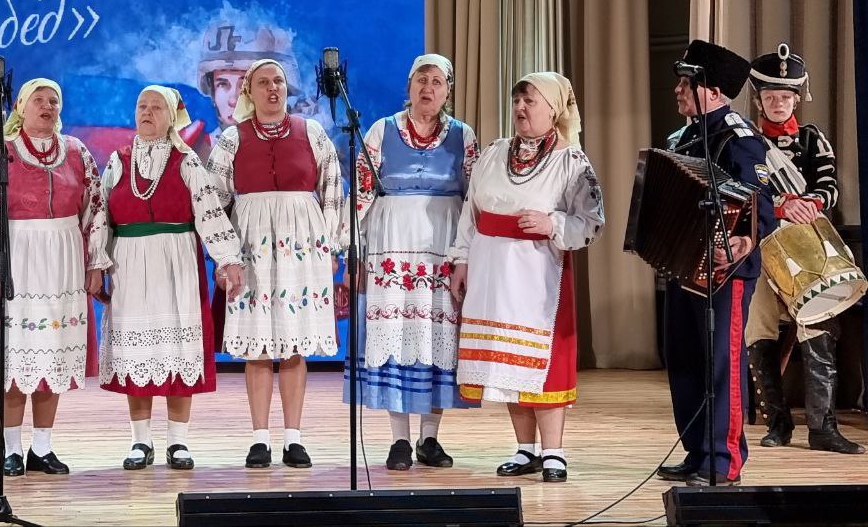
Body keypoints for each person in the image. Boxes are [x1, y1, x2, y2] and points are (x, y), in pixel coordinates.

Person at [447, 72, 604, 484]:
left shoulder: (571, 161)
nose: (520, 108)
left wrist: (552, 223)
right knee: (505, 361)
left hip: (538, 275)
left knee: (541, 361)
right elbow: (471, 212)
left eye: (530, 101)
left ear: (553, 110)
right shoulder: (494, 153)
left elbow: (592, 220)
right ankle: (525, 448)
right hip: (490, 271)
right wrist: (461, 260)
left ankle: (554, 451)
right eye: (516, 100)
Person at [93, 86, 246, 470]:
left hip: (176, 264)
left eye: (156, 107)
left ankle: (178, 441)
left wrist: (228, 260)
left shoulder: (186, 161)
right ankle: (140, 441)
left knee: (179, 350)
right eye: (141, 106)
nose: (147, 112)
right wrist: (97, 263)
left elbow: (210, 214)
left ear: (172, 115)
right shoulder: (118, 161)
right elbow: (100, 216)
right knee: (136, 354)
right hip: (129, 265)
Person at [205, 58, 343, 469]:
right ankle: (260, 439)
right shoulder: (232, 139)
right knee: (259, 348)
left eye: (278, 81)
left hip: (303, 248)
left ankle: (294, 438)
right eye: (264, 82)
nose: (273, 88)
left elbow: (333, 190)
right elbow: (211, 203)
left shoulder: (311, 132)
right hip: (254, 249)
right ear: (250, 91)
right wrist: (226, 256)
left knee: (295, 346)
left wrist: (331, 246)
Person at [345, 54, 479, 470]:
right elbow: (360, 196)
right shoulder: (381, 130)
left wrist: (467, 256)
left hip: (442, 248)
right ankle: (399, 439)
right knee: (397, 336)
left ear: (448, 91)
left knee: (437, 338)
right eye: (422, 80)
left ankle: (430, 438)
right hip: (391, 247)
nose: (428, 88)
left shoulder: (463, 136)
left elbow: (474, 199)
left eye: (437, 82)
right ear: (409, 86)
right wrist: (352, 253)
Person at [655, 40, 776, 486]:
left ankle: (723, 460)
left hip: (726, 270)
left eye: (685, 82)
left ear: (712, 89)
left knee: (721, 362)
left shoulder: (739, 139)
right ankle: (697, 450)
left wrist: (744, 239)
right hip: (684, 264)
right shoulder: (684, 137)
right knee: (684, 357)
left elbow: (760, 202)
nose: (677, 90)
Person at [0, 78, 108, 477]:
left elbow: (96, 207)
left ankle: (42, 447)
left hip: (64, 256)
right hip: (19, 255)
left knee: (54, 352)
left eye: (54, 100)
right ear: (20, 106)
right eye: (39, 100)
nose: (48, 106)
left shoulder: (77, 151)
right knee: (17, 354)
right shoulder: (0, 151)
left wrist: (95, 262)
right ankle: (11, 449)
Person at [743, 45, 863, 454]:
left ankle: (822, 428)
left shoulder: (813, 140)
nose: (778, 103)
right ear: (758, 100)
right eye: (770, 96)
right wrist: (779, 205)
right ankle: (777, 425)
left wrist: (810, 202)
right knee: (758, 328)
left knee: (819, 327)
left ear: (796, 99)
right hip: (762, 246)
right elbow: (745, 190)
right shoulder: (749, 143)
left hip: (809, 247)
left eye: (785, 96)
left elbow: (829, 186)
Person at [196, 24, 302, 145]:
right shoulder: (201, 152)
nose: (233, 100)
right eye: (222, 84)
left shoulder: (304, 141)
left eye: (245, 85)